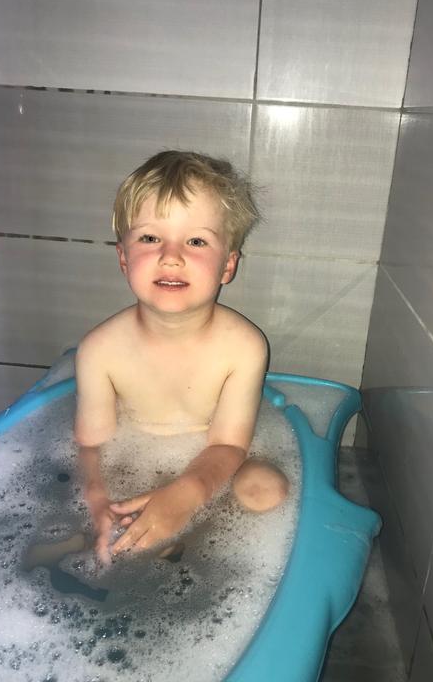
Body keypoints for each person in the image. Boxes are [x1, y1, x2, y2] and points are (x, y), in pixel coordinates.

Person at [74, 151, 289, 563]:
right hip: (133, 462)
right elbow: (91, 446)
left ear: (227, 266)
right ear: (123, 258)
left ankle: (213, 556)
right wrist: (97, 500)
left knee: (265, 490)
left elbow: (228, 444)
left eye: (196, 241)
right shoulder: (99, 350)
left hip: (219, 463)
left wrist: (187, 495)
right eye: (150, 238)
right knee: (98, 529)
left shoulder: (243, 346)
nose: (171, 256)